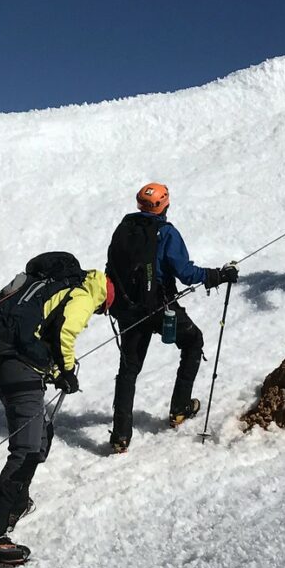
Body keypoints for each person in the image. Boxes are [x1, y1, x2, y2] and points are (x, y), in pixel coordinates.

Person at [0, 264, 114, 566]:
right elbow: (66, 330)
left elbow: (42, 332)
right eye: (103, 310)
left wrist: (53, 370)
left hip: (4, 367)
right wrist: (65, 370)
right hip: (20, 372)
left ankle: (16, 504)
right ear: (106, 298)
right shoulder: (85, 293)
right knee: (25, 451)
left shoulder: (50, 286)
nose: (98, 314)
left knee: (38, 442)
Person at [104, 182, 238, 453]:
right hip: (160, 308)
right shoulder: (166, 233)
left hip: (129, 311)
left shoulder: (123, 228)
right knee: (193, 341)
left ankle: (120, 436)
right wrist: (218, 275)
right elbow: (186, 273)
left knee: (128, 370)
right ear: (164, 205)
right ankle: (180, 408)